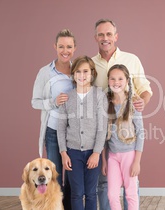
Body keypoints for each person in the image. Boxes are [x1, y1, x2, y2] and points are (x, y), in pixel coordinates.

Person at [92, 18, 153, 210]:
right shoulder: (91, 64)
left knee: (130, 189)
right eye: (101, 34)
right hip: (105, 138)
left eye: (109, 34)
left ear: (116, 36)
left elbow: (145, 89)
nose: (105, 38)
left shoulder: (131, 59)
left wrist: (141, 102)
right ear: (96, 38)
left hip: (127, 141)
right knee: (105, 187)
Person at [31, 29, 76, 210]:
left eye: (69, 47)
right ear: (55, 47)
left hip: (74, 132)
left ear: (75, 48)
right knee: (54, 176)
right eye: (61, 46)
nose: (65, 50)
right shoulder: (45, 72)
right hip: (52, 131)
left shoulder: (79, 70)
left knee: (72, 177)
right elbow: (34, 102)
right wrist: (53, 102)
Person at [57, 56, 108, 210]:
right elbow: (61, 127)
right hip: (73, 153)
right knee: (76, 193)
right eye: (78, 71)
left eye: (85, 71)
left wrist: (96, 153)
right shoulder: (67, 97)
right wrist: (64, 153)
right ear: (73, 74)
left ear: (92, 73)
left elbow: (102, 127)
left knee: (91, 193)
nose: (82, 75)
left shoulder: (99, 95)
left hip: (93, 153)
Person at [102, 64, 144, 210]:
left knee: (130, 193)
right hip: (112, 155)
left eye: (120, 79)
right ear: (108, 81)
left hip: (129, 155)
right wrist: (104, 160)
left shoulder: (133, 103)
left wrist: (137, 162)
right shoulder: (105, 103)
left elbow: (140, 133)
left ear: (127, 81)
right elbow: (103, 136)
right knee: (112, 195)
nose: (116, 82)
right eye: (112, 79)